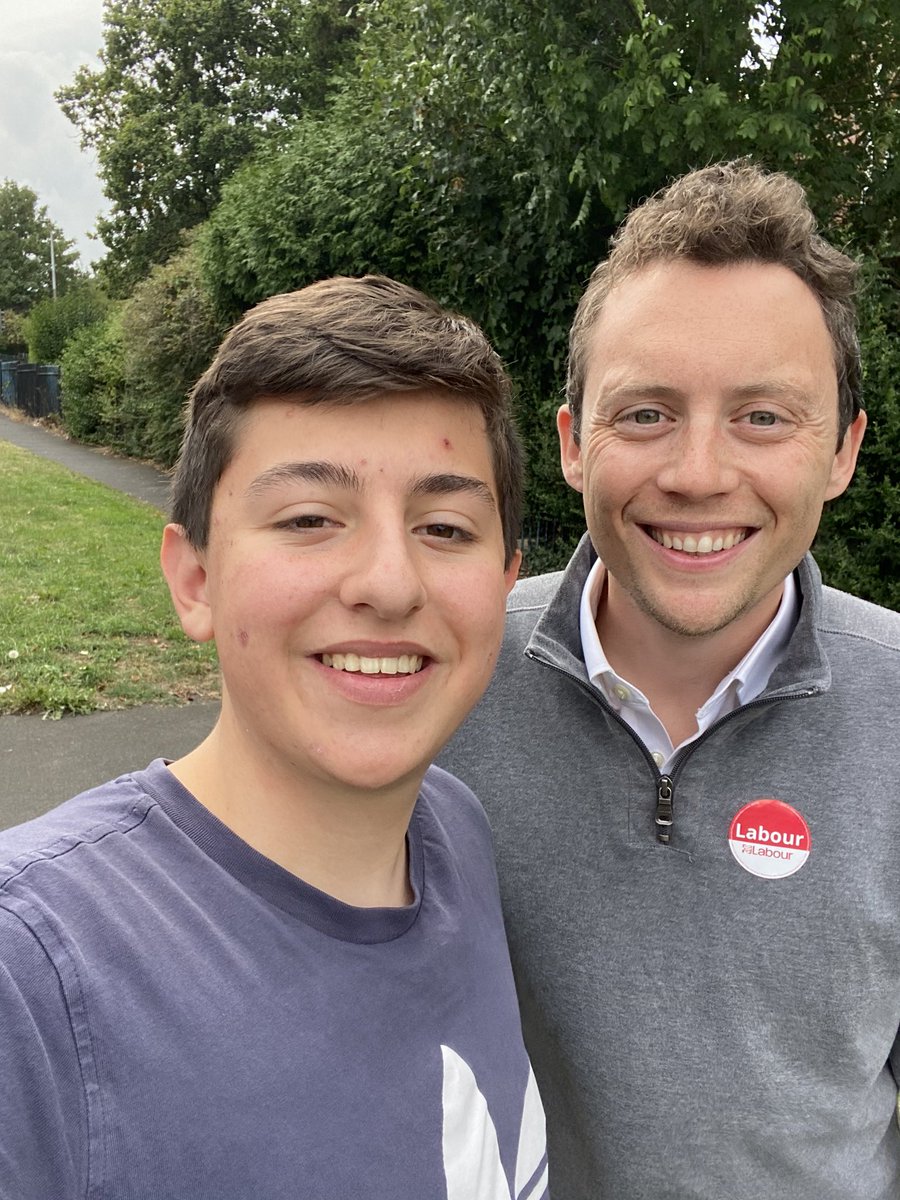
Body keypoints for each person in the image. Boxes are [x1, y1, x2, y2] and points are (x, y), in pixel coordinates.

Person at [0, 276, 550, 1200]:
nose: (389, 581)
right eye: (308, 519)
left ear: (505, 581)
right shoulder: (34, 976)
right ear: (196, 579)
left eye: (446, 526)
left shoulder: (456, 834)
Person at [440, 161, 900, 1199]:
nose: (698, 471)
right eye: (645, 413)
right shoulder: (443, 687)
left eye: (765, 418)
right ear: (570, 443)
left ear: (843, 452)